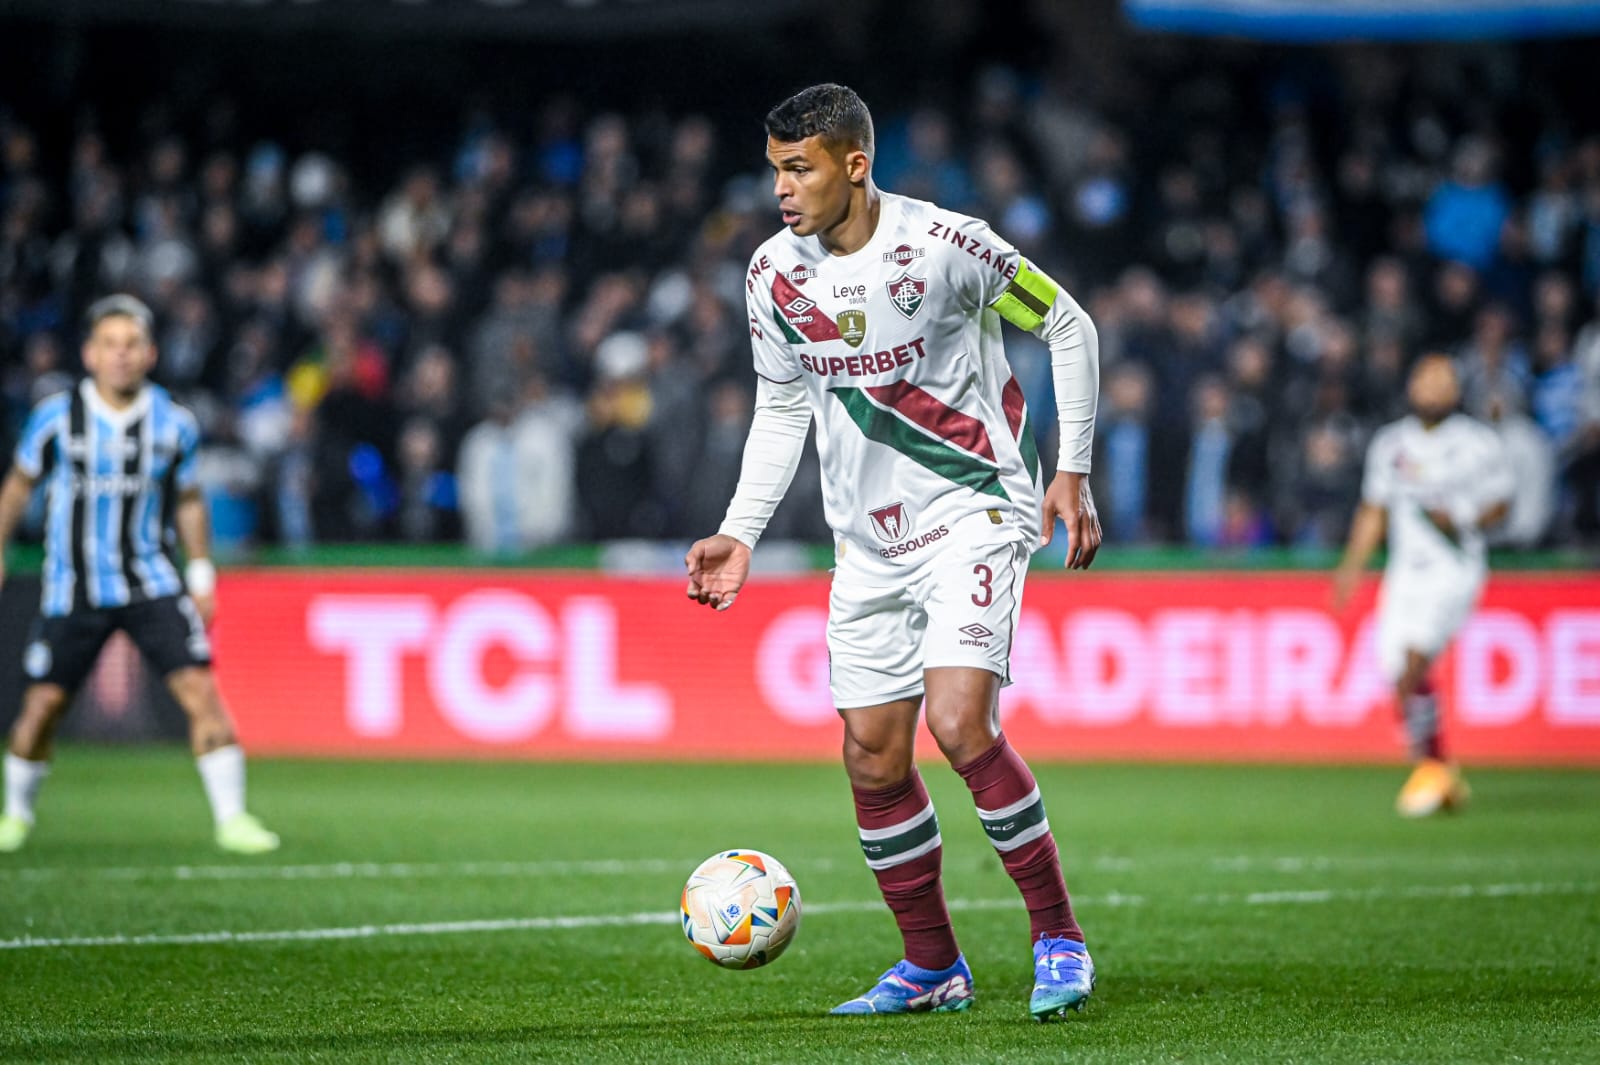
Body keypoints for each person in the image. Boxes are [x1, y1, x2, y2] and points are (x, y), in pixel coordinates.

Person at [684, 85, 1101, 1021]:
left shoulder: (948, 245)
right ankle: (932, 965)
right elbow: (783, 405)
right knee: (872, 757)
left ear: (855, 165)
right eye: (775, 170)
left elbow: (1069, 324)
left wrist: (1069, 470)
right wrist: (740, 532)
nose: (783, 190)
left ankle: (1059, 938)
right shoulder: (771, 274)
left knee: (959, 723)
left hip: (975, 508)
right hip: (866, 541)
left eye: (800, 168)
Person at [0, 295, 280, 854]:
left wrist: (200, 573)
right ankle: (16, 815)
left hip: (151, 582)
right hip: (73, 586)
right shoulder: (57, 418)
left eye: (131, 345)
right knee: (42, 708)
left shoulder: (173, 424)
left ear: (150, 353)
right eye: (110, 344)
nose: (121, 355)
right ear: (89, 354)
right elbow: (18, 486)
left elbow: (191, 500)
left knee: (201, 691)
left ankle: (233, 819)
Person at [1334, 355, 1512, 817]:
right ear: (1412, 387)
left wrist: (1462, 517)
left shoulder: (1477, 443)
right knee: (1399, 677)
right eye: (1426, 381)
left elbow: (1501, 505)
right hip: (1403, 574)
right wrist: (1352, 566)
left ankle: (1430, 768)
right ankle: (1437, 767)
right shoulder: (1390, 444)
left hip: (1454, 568)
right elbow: (1374, 509)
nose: (1433, 390)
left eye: (1443, 381)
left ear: (1456, 390)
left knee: (1414, 659)